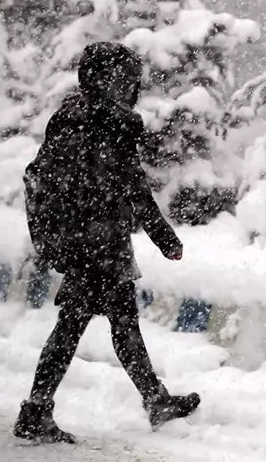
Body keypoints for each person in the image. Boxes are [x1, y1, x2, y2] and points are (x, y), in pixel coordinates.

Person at [14, 42, 200, 444]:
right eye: (125, 80)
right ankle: (37, 409)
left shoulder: (70, 118)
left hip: (84, 242)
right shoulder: (109, 124)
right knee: (89, 327)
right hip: (98, 245)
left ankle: (152, 399)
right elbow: (134, 188)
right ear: (106, 80)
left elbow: (52, 179)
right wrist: (165, 238)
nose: (130, 88)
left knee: (108, 323)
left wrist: (61, 237)